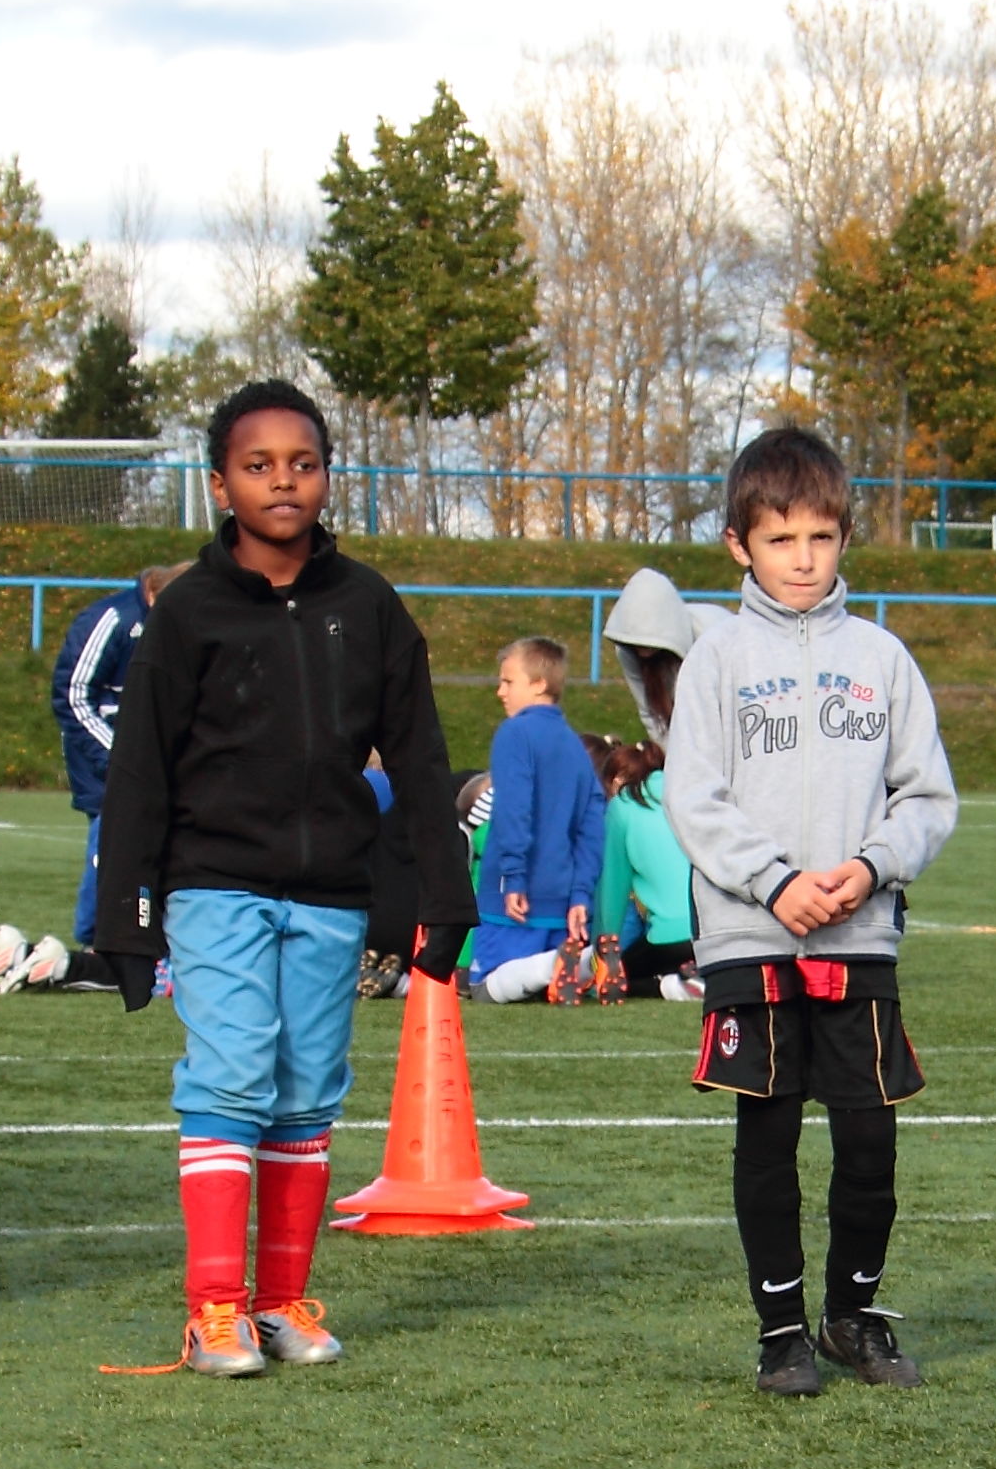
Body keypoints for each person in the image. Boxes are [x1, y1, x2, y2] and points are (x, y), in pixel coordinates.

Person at [90, 380, 472, 1375]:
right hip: (213, 883)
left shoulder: (368, 604)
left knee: (305, 1092)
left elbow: (419, 754)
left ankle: (278, 1302)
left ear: (328, 475)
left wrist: (445, 892)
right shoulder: (188, 611)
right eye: (257, 465)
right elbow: (140, 768)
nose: (282, 481)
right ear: (220, 483)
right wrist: (125, 914)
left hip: (332, 893)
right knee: (230, 1074)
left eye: (302, 463)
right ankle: (213, 1308)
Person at [666, 426, 961, 1396]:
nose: (802, 558)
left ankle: (852, 1316)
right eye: (780, 538)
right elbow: (693, 797)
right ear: (737, 543)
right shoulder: (715, 658)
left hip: (856, 932)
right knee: (769, 1134)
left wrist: (870, 868)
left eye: (820, 537)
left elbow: (926, 797)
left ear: (843, 538)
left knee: (868, 1136)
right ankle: (780, 1331)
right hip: (749, 933)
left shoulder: (881, 657)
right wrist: (772, 880)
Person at [51, 558, 184, 981]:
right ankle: (99, 941)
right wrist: (121, 759)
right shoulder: (113, 619)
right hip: (107, 761)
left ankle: (155, 939)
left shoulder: (178, 626)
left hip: (159, 762)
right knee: (111, 841)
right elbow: (73, 695)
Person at [466, 636, 605, 1002]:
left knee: (483, 989)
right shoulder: (574, 745)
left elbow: (514, 808)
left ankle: (555, 965)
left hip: (515, 899)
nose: (500, 691)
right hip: (561, 904)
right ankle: (583, 963)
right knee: (539, 996)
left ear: (539, 684)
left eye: (508, 681)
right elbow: (592, 824)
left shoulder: (515, 733)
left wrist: (513, 875)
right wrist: (581, 894)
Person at [599, 568, 703, 997]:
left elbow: (612, 888)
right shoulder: (638, 662)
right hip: (705, 932)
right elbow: (652, 714)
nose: (641, 652)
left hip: (672, 937)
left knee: (622, 977)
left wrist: (603, 948)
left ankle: (672, 985)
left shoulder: (623, 808)